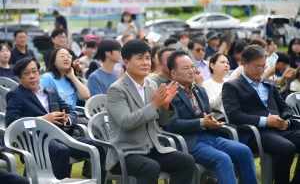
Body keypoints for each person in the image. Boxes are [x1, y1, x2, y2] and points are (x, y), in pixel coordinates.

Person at [106, 39, 195, 184]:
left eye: (147, 58)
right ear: (126, 62)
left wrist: (165, 106)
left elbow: (162, 121)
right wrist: (154, 105)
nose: (145, 63)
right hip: (126, 152)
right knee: (150, 167)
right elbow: (126, 122)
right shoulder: (116, 89)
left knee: (186, 161)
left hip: (153, 148)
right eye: (139, 59)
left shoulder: (151, 84)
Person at [5, 57, 105, 183]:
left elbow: (70, 112)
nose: (32, 76)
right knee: (60, 150)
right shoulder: (16, 95)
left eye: (34, 71)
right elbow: (11, 121)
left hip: (61, 136)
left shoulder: (50, 91)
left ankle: (102, 181)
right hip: (36, 141)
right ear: (19, 78)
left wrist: (67, 119)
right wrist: (41, 120)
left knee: (99, 146)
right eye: (26, 73)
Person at [164, 50, 258, 184]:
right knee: (223, 159)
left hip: (210, 137)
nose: (191, 71)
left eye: (192, 66)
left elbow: (207, 117)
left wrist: (213, 123)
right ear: (173, 73)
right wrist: (202, 122)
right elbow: (171, 125)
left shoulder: (200, 90)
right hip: (189, 142)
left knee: (244, 151)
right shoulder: (169, 93)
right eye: (186, 68)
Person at [222, 45, 300, 184]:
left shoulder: (268, 83)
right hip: (255, 132)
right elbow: (234, 115)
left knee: (289, 143)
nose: (261, 70)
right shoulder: (232, 86)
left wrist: (285, 121)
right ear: (244, 64)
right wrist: (266, 121)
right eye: (257, 67)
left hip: (280, 128)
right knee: (286, 148)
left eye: (263, 67)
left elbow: (285, 107)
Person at [40, 48, 90, 112]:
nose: (66, 58)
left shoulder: (70, 79)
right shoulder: (47, 78)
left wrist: (73, 76)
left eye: (69, 56)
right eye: (62, 56)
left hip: (71, 116)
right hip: (56, 117)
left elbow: (86, 95)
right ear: (54, 62)